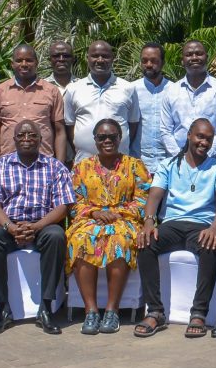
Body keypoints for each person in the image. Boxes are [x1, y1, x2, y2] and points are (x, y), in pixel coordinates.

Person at [135, 118, 216, 338]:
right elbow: (154, 195)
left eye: (208, 139)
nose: (203, 142)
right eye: (200, 136)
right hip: (172, 224)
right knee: (146, 243)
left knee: (210, 247)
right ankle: (156, 312)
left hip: (201, 226)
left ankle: (199, 313)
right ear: (189, 135)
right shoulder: (168, 165)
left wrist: (215, 228)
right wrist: (149, 222)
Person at [0, 120, 75, 336]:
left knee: (56, 236)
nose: (26, 139)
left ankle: (46, 307)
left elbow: (63, 205)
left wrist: (37, 226)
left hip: (43, 224)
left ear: (41, 140)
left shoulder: (55, 167)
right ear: (13, 140)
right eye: (21, 136)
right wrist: (10, 227)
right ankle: (2, 308)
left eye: (32, 136)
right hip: (8, 225)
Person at [65, 119, 151, 336]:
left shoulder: (135, 165)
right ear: (94, 140)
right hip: (90, 219)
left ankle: (112, 310)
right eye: (102, 137)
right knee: (82, 239)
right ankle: (91, 311)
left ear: (120, 139)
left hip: (124, 219)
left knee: (119, 240)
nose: (107, 141)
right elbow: (74, 202)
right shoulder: (81, 168)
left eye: (112, 136)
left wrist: (117, 213)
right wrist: (94, 213)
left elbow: (143, 201)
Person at [158, 40, 216, 161]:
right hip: (177, 163)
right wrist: (180, 158)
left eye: (199, 53)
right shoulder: (171, 91)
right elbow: (165, 130)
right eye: (189, 55)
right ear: (182, 60)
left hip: (212, 163)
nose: (194, 57)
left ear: (207, 57)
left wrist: (206, 157)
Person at [66, 40, 141, 161]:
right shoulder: (73, 89)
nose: (100, 60)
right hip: (84, 162)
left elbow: (133, 124)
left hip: (120, 164)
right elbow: (70, 125)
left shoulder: (128, 88)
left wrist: (121, 143)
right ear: (87, 58)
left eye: (105, 56)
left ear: (112, 58)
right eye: (95, 56)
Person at [0, 44, 67, 161]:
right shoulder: (0, 91)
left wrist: (60, 165)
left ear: (36, 63)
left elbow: (60, 131)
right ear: (12, 64)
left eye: (29, 60)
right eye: (19, 61)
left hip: (44, 160)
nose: (24, 64)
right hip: (8, 161)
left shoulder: (51, 91)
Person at [134, 43, 172, 172]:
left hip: (169, 163)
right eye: (144, 61)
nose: (149, 64)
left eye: (154, 61)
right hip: (138, 163)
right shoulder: (131, 90)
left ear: (163, 63)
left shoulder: (175, 90)